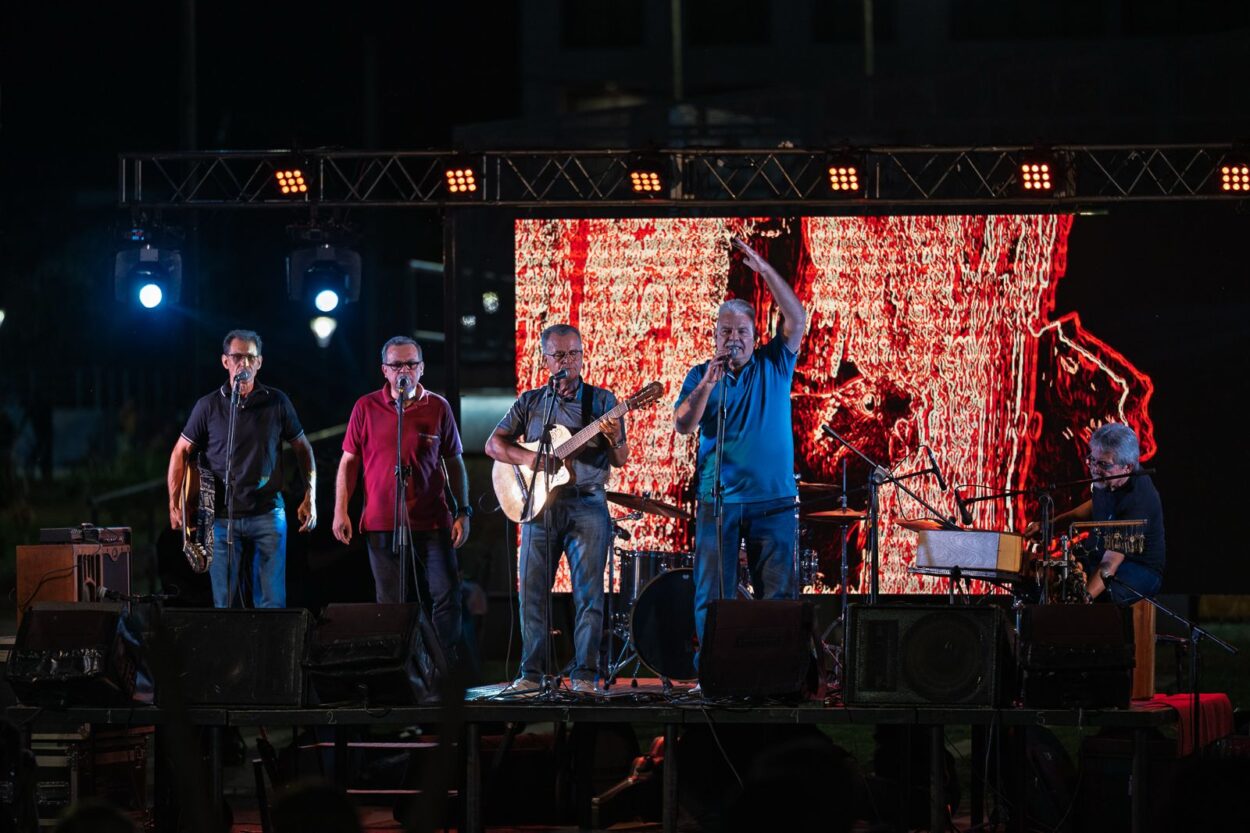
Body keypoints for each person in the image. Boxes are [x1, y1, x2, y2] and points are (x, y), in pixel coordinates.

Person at [674, 237, 807, 658]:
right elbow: (682, 425)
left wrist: (764, 271)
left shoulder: (774, 362)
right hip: (721, 503)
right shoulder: (701, 375)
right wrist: (709, 384)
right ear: (715, 335)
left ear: (756, 334)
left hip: (774, 502)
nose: (734, 339)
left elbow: (797, 317)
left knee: (779, 595)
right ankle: (716, 670)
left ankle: (776, 673)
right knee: (713, 594)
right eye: (726, 331)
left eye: (742, 331)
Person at [485, 324, 628, 693]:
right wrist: (531, 458)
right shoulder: (532, 402)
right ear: (545, 359)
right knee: (532, 593)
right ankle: (531, 674)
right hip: (538, 508)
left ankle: (584, 674)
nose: (569, 361)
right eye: (560, 355)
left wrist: (612, 439)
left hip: (587, 504)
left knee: (589, 595)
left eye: (575, 353)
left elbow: (622, 458)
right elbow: (494, 445)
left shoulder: (602, 402)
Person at [332, 336, 471, 662]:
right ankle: (399, 669)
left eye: (410, 364)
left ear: (421, 368)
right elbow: (348, 462)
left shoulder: (438, 407)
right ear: (385, 370)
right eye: (396, 365)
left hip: (433, 520)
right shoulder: (366, 406)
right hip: (382, 522)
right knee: (391, 603)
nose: (403, 371)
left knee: (446, 594)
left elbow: (455, 462)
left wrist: (463, 511)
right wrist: (341, 510)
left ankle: (440, 665)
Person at [168, 329, 316, 608]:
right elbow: (180, 452)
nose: (244, 364)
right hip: (222, 517)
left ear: (260, 362)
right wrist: (175, 504)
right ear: (225, 361)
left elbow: (303, 448)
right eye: (237, 356)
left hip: (268, 511)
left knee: (272, 602)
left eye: (250, 357)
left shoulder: (277, 402)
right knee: (224, 603)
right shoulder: (208, 406)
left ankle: (270, 651)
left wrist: (312, 496)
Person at [1040, 422, 1165, 602]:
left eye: (1103, 464)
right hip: (1104, 556)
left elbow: (1110, 563)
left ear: (1127, 467)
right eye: (1092, 460)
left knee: (1103, 596)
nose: (1094, 468)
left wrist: (1082, 601)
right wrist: (1051, 525)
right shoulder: (1108, 478)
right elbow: (1095, 506)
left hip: (1138, 567)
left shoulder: (1138, 500)